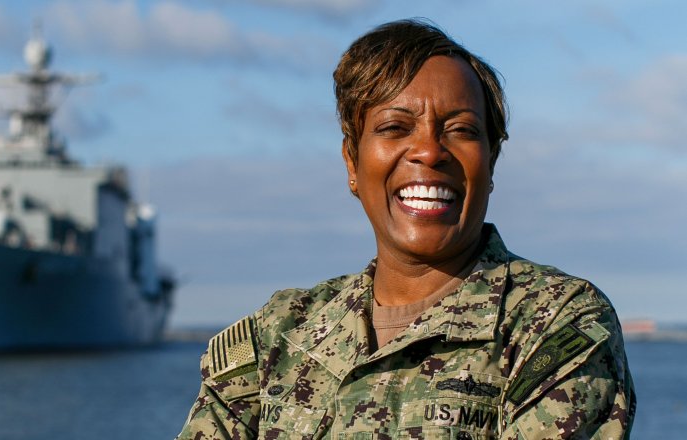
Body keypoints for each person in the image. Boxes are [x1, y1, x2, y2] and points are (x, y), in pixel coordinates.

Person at [177, 19, 635, 439]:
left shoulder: (553, 325)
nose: (429, 152)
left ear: (491, 162)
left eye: (461, 129)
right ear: (352, 163)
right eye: (395, 127)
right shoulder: (277, 335)